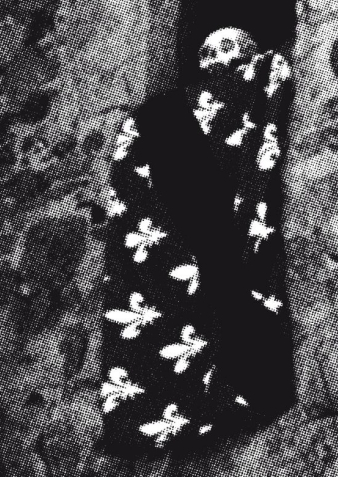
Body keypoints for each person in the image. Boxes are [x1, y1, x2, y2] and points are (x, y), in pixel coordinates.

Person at [98, 28, 296, 462]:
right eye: (206, 51)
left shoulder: (253, 86)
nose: (215, 60)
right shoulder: (161, 122)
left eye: (228, 48)